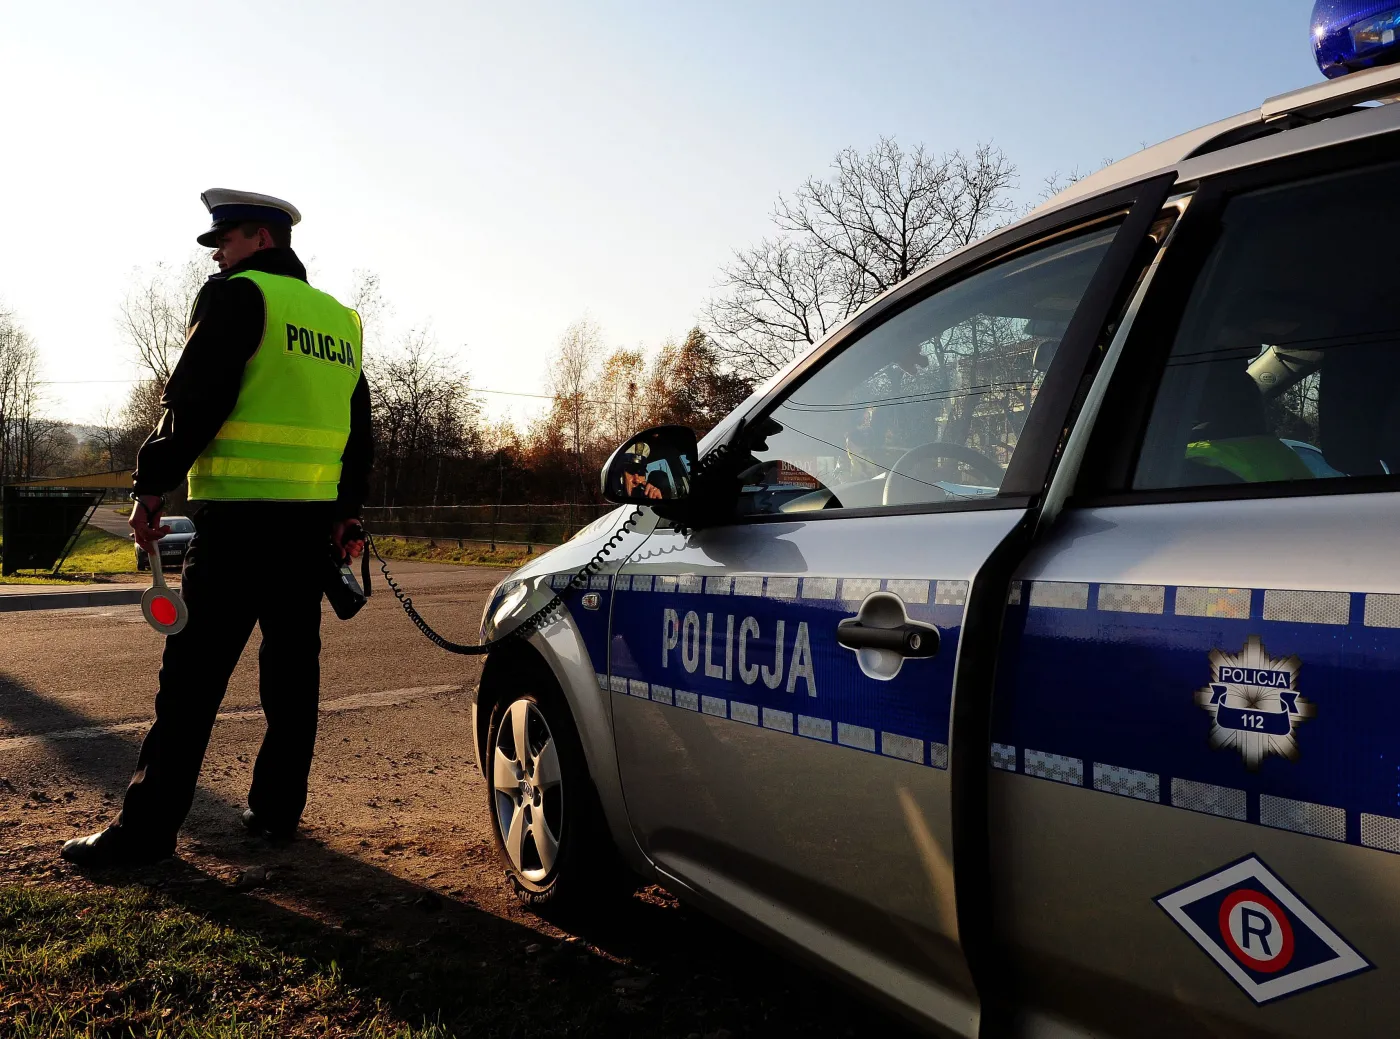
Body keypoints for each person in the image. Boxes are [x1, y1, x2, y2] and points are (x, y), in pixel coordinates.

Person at [61, 189, 373, 868]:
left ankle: (145, 833)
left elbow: (194, 404)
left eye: (224, 241)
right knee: (292, 680)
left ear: (260, 238)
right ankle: (276, 813)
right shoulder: (341, 321)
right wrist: (347, 511)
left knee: (192, 682)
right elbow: (359, 432)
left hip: (238, 526)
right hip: (307, 532)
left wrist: (150, 484)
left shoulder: (240, 296)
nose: (218, 255)